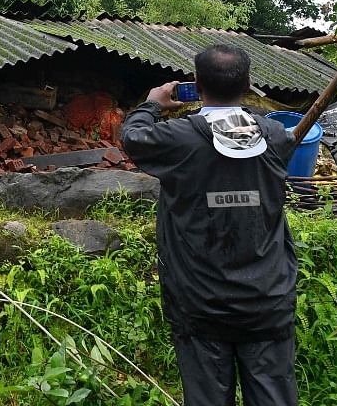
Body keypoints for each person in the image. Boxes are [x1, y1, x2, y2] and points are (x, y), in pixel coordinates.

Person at [120, 44, 299, 406]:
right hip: (268, 301)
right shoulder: (276, 137)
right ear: (248, 84)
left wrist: (153, 103)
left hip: (199, 303)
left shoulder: (178, 140)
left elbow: (133, 137)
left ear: (197, 84)